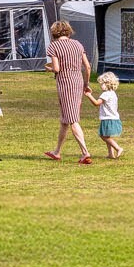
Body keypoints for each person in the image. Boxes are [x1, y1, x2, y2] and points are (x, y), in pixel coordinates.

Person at [44, 19, 92, 163]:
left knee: (72, 119)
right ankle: (57, 151)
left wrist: (49, 69)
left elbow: (57, 68)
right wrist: (86, 83)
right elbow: (87, 67)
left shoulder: (54, 46)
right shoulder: (78, 44)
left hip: (65, 83)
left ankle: (85, 152)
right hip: (78, 81)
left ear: (54, 32)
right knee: (65, 119)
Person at [88, 72, 124, 159]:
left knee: (103, 136)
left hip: (108, 118)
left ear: (108, 84)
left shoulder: (106, 94)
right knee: (107, 136)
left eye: (102, 84)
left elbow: (96, 103)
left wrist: (89, 95)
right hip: (113, 118)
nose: (100, 86)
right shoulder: (113, 93)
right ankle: (111, 154)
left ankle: (118, 148)